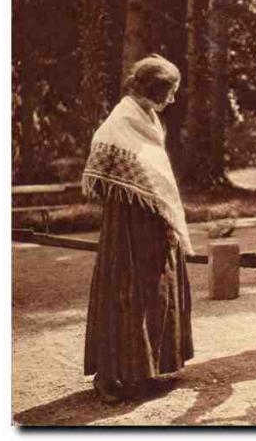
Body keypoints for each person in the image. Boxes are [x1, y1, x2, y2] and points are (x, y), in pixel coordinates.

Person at [82, 54, 193, 402]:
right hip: (127, 225)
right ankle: (111, 377)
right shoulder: (121, 119)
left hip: (151, 221)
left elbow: (155, 171)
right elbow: (98, 168)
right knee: (124, 292)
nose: (173, 99)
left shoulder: (149, 118)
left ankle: (144, 372)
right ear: (154, 89)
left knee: (152, 292)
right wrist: (129, 193)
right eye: (170, 91)